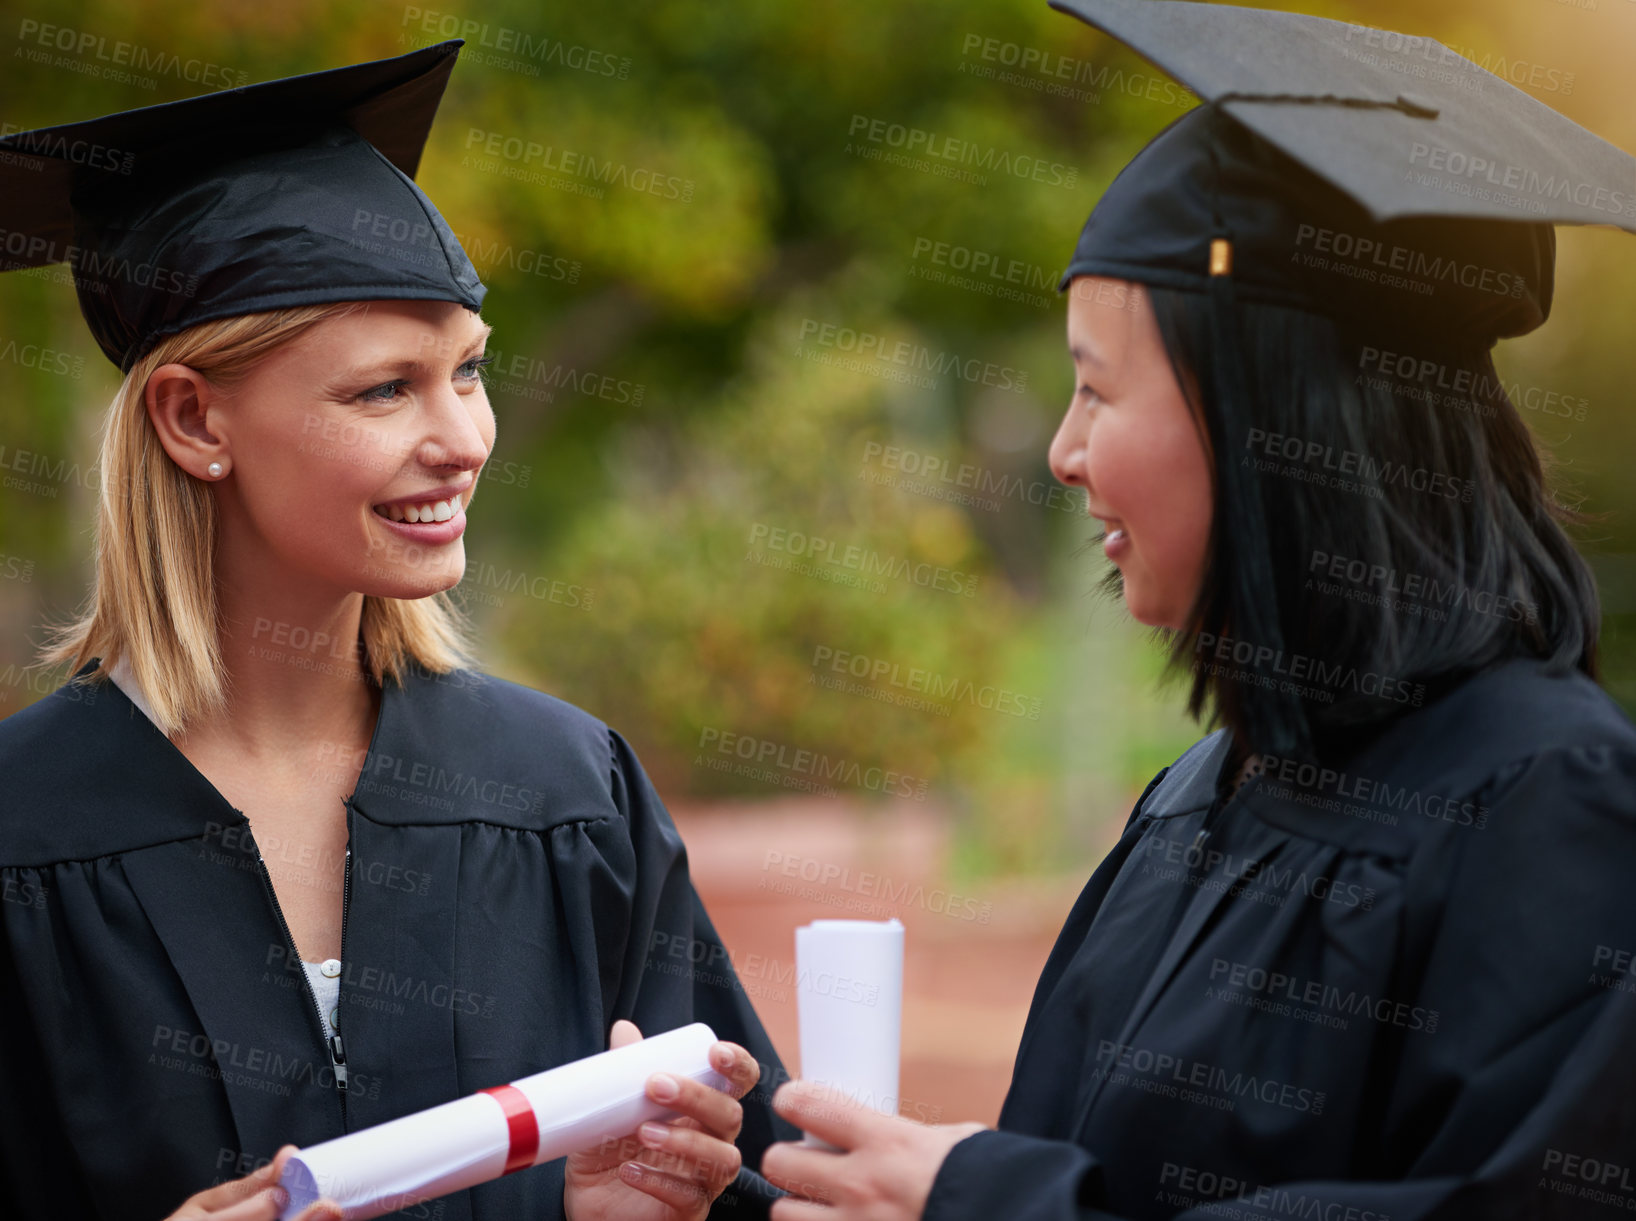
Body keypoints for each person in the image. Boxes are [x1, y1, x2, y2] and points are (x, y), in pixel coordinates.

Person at [758, 1, 1636, 1218]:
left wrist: (981, 1202)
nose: (1064, 452)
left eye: (1096, 389)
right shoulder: (1204, 791)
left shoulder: (1549, 805)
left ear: (1271, 419)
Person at [0, 41, 792, 1221]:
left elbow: (760, 1184)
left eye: (467, 372)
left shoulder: (568, 794)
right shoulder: (25, 833)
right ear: (193, 420)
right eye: (384, 389)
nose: (464, 440)